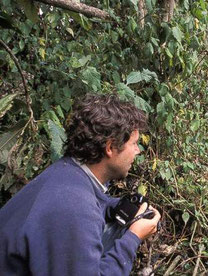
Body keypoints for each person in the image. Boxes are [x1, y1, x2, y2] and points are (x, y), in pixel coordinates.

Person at [0, 93, 161, 275]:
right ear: (110, 147)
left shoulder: (65, 172)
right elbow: (77, 212)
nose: (137, 150)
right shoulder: (76, 208)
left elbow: (87, 201)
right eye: (134, 143)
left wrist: (114, 206)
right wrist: (133, 238)